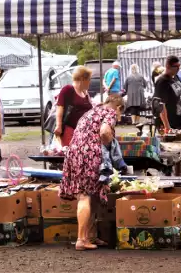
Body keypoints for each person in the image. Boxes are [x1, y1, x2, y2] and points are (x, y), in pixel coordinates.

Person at [59, 94, 125, 251]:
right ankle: (81, 239)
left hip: (74, 153)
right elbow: (104, 133)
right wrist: (111, 147)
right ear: (119, 108)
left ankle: (90, 236)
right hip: (89, 155)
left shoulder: (90, 112)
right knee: (84, 196)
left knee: (93, 195)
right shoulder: (110, 113)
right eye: (121, 113)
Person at [55, 66, 94, 147]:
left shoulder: (85, 93)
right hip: (70, 131)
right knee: (69, 155)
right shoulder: (68, 89)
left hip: (84, 133)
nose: (90, 82)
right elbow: (60, 107)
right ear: (83, 79)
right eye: (89, 79)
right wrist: (58, 126)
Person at [154, 55, 181, 131]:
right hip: (170, 123)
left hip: (179, 121)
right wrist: (167, 127)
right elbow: (161, 105)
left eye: (179, 66)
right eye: (176, 66)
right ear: (168, 66)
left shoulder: (176, 77)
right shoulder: (162, 81)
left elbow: (180, 98)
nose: (178, 69)